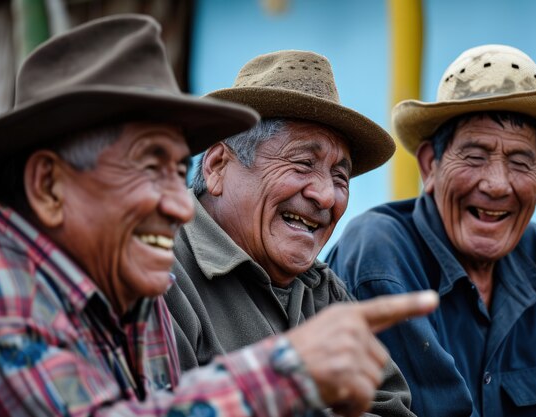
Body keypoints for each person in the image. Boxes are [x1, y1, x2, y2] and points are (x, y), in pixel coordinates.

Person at [0, 15, 440, 417]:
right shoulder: (6, 290)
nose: (180, 204)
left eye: (174, 170)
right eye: (151, 166)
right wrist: (290, 372)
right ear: (48, 186)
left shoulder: (133, 289)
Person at [327, 44, 536, 416]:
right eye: (475, 156)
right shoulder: (380, 253)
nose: (497, 184)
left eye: (519, 161)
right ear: (430, 165)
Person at [163, 50, 419, 417]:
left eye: (339, 177)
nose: (326, 195)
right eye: (302, 164)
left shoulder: (321, 288)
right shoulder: (159, 270)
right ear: (218, 166)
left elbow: (389, 406)